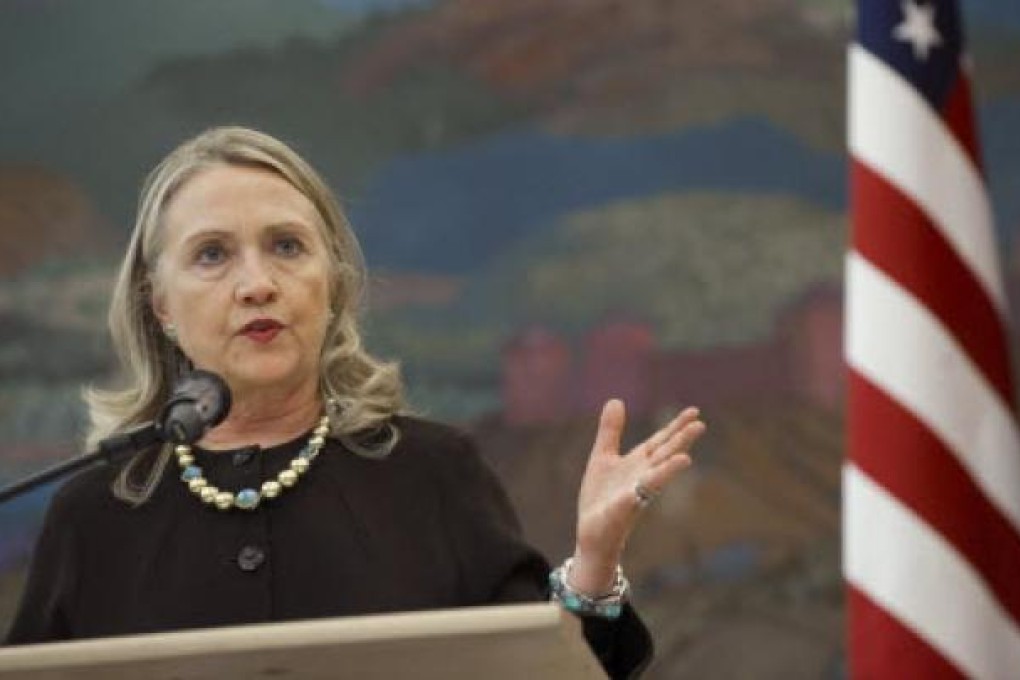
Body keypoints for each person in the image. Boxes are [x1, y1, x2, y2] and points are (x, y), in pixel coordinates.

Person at [4, 127, 705, 678]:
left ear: (332, 286)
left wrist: (590, 565)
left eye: (286, 246)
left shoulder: (433, 472)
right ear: (159, 305)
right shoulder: (93, 514)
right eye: (212, 254)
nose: (257, 283)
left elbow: (538, 674)